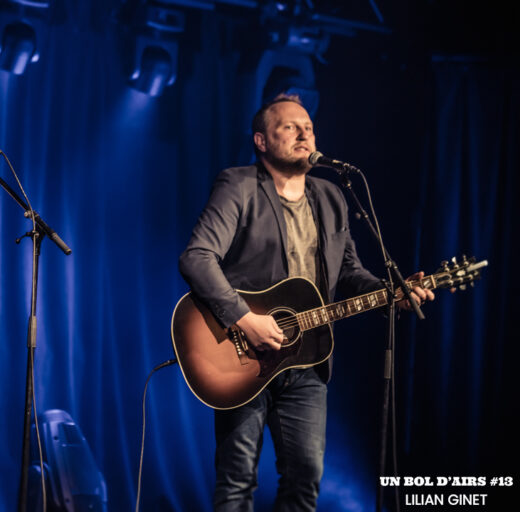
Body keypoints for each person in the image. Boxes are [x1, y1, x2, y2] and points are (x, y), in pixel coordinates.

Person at [178, 94, 433, 511]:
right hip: (242, 357)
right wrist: (245, 319)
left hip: (307, 360)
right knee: (237, 481)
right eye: (290, 127)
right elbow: (197, 257)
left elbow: (348, 272)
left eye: (309, 128)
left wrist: (394, 292)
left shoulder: (332, 196)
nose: (304, 134)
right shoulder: (239, 185)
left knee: (306, 480)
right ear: (261, 141)